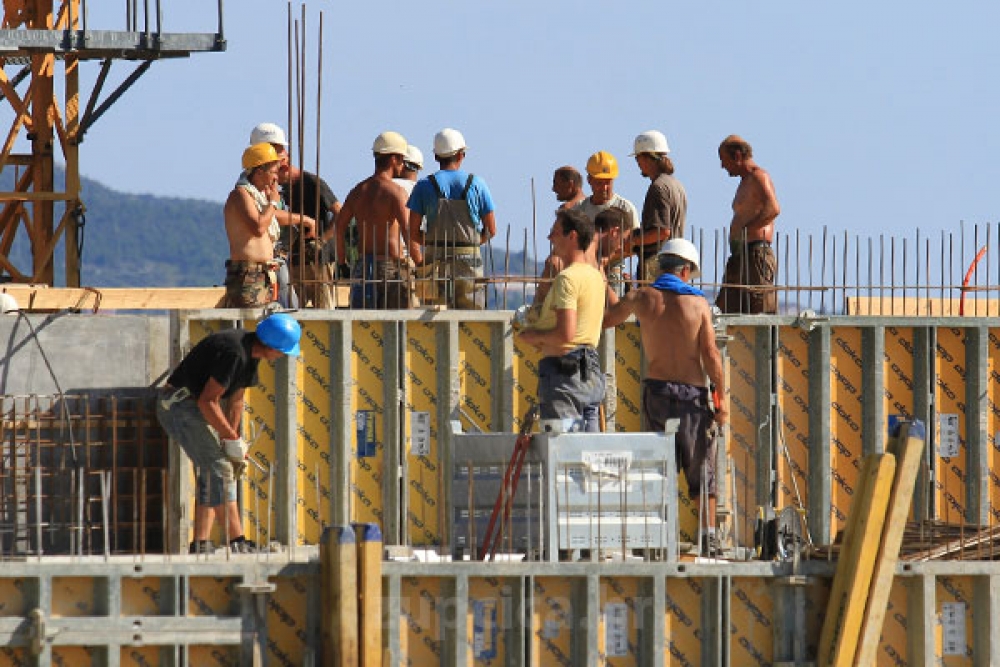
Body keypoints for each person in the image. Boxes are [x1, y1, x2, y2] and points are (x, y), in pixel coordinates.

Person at [602, 239, 727, 555]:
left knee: (656, 467)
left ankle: (652, 538)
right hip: (692, 397)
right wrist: (721, 398)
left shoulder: (643, 297)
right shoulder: (698, 306)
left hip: (656, 393)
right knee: (702, 469)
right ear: (686, 270)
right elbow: (711, 354)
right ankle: (708, 537)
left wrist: (604, 281)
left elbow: (608, 318)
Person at [156, 313, 302, 554]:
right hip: (177, 406)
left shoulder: (251, 354)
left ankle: (200, 543)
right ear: (271, 346)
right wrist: (230, 439)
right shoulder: (234, 353)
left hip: (190, 407)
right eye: (283, 351)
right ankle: (237, 541)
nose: (283, 356)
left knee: (214, 468)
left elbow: (236, 400)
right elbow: (208, 401)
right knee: (219, 468)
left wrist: (233, 443)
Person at [518, 209, 606, 432]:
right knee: (589, 457)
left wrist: (532, 336)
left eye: (555, 232)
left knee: (565, 457)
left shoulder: (567, 278)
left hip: (564, 373)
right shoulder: (596, 277)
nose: (550, 238)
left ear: (572, 236)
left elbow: (565, 335)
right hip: (590, 371)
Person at [408, 128, 497, 309]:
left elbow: (413, 231)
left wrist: (434, 243)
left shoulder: (423, 186)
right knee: (472, 317)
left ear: (436, 157)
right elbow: (491, 229)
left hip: (435, 262)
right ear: (461, 155)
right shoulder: (477, 184)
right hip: (469, 262)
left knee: (434, 318)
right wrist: (470, 243)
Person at [326, 131, 412, 309]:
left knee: (363, 324)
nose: (403, 165)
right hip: (390, 267)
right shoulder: (396, 192)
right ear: (393, 159)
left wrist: (342, 263)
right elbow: (408, 230)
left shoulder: (358, 191)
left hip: (363, 267)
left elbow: (340, 227)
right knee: (396, 326)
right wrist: (419, 262)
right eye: (402, 160)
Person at [222, 143, 315, 308]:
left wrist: (303, 220)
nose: (276, 178)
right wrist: (272, 202)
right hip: (249, 275)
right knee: (252, 325)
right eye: (273, 172)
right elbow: (258, 227)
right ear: (259, 172)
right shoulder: (241, 195)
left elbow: (271, 217)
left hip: (263, 273)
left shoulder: (257, 197)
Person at [247, 123, 322, 308]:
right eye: (278, 149)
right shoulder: (254, 187)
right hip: (269, 260)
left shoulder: (267, 182)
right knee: (289, 311)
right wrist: (303, 219)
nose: (282, 155)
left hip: (277, 259)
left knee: (289, 309)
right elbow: (268, 215)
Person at [716, 135, 780, 314]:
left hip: (756, 252)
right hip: (741, 253)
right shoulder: (745, 181)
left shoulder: (759, 176)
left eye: (724, 160)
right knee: (728, 306)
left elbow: (773, 208)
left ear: (737, 156)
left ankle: (766, 342)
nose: (723, 166)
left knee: (760, 307)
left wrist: (747, 230)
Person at [629, 130, 687, 284]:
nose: (638, 163)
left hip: (658, 265)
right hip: (676, 260)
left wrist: (632, 240)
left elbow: (661, 231)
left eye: (638, 158)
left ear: (647, 157)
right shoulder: (676, 185)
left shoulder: (658, 187)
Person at [575, 151, 639, 232]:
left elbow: (636, 242)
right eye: (599, 183)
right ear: (589, 180)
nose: (604, 188)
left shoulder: (626, 209)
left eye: (608, 182)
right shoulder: (579, 210)